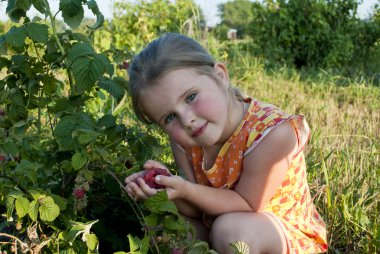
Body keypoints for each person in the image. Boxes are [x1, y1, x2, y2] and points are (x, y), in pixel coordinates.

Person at [124, 32, 328, 254]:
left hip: (282, 235)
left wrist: (187, 190)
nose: (187, 120)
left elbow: (248, 204)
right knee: (167, 226)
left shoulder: (271, 134)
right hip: (218, 226)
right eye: (170, 117)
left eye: (191, 97)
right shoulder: (183, 142)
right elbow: (195, 210)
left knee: (229, 232)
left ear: (220, 76)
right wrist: (169, 189)